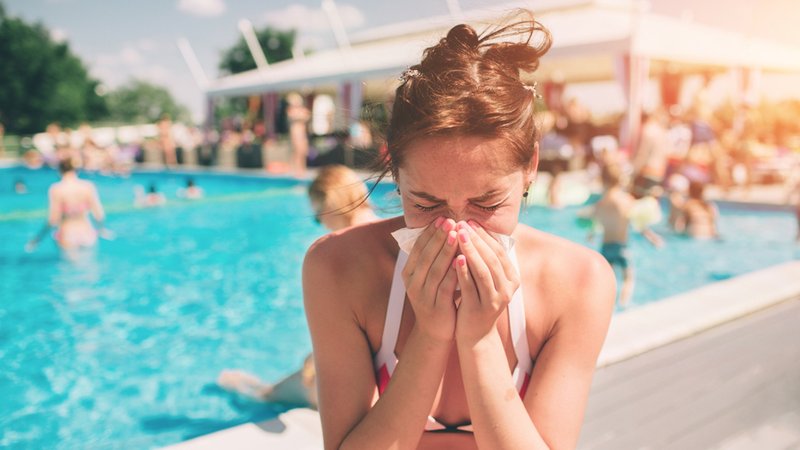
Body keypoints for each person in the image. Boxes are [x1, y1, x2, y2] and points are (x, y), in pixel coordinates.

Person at [303, 12, 616, 449]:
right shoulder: (337, 267)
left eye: (487, 203)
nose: (455, 228)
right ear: (395, 170)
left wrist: (480, 340)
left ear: (530, 168)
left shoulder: (579, 282)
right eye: (425, 203)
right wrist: (430, 336)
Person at [217, 164, 378, 409]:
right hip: (399, 374)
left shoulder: (339, 249)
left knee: (269, 395)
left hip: (366, 385)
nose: (321, 224)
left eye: (318, 216)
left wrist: (315, 359)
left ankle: (249, 388)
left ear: (330, 204)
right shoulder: (392, 235)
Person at [586, 163, 663, 308]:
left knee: (606, 283)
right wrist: (652, 238)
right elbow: (638, 223)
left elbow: (595, 225)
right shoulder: (626, 200)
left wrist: (590, 235)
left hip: (605, 248)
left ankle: (602, 306)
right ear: (621, 180)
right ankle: (623, 304)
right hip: (621, 248)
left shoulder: (601, 203)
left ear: (603, 180)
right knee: (628, 279)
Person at [26, 159, 112, 252]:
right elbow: (99, 214)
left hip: (67, 234)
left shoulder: (56, 189)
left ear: (60, 171)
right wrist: (102, 229)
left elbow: (53, 219)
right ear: (76, 170)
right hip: (87, 233)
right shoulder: (88, 186)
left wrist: (38, 239)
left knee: (70, 265)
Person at [286, 92, 311, 176]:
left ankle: (302, 169)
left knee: (303, 150)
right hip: (296, 131)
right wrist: (301, 116)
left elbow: (307, 115)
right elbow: (298, 117)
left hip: (302, 131)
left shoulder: (300, 109)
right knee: (297, 150)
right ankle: (295, 170)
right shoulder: (291, 109)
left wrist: (301, 115)